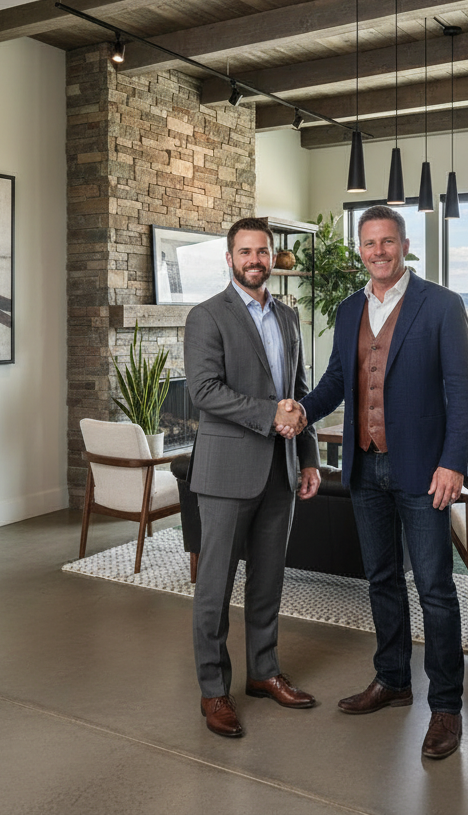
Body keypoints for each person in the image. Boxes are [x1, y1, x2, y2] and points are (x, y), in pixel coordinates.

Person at [279, 204, 468, 760]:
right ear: (360, 250)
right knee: (382, 579)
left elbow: (462, 393)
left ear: (405, 245)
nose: (378, 252)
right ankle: (391, 680)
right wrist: (300, 409)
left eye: (387, 242)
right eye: (369, 244)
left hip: (423, 471)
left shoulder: (440, 306)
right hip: (366, 469)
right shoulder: (349, 310)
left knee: (435, 588)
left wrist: (453, 462)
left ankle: (446, 706)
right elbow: (337, 381)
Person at [184, 217, 321, 739]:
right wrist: (270, 414)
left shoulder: (288, 317)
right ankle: (214, 691)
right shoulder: (206, 317)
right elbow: (204, 390)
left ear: (272, 256)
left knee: (268, 580)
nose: (255, 259)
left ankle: (263, 672)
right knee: (214, 587)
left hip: (280, 472)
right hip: (224, 473)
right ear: (230, 258)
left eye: (262, 251)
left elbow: (300, 393)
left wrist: (307, 458)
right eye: (245, 252)